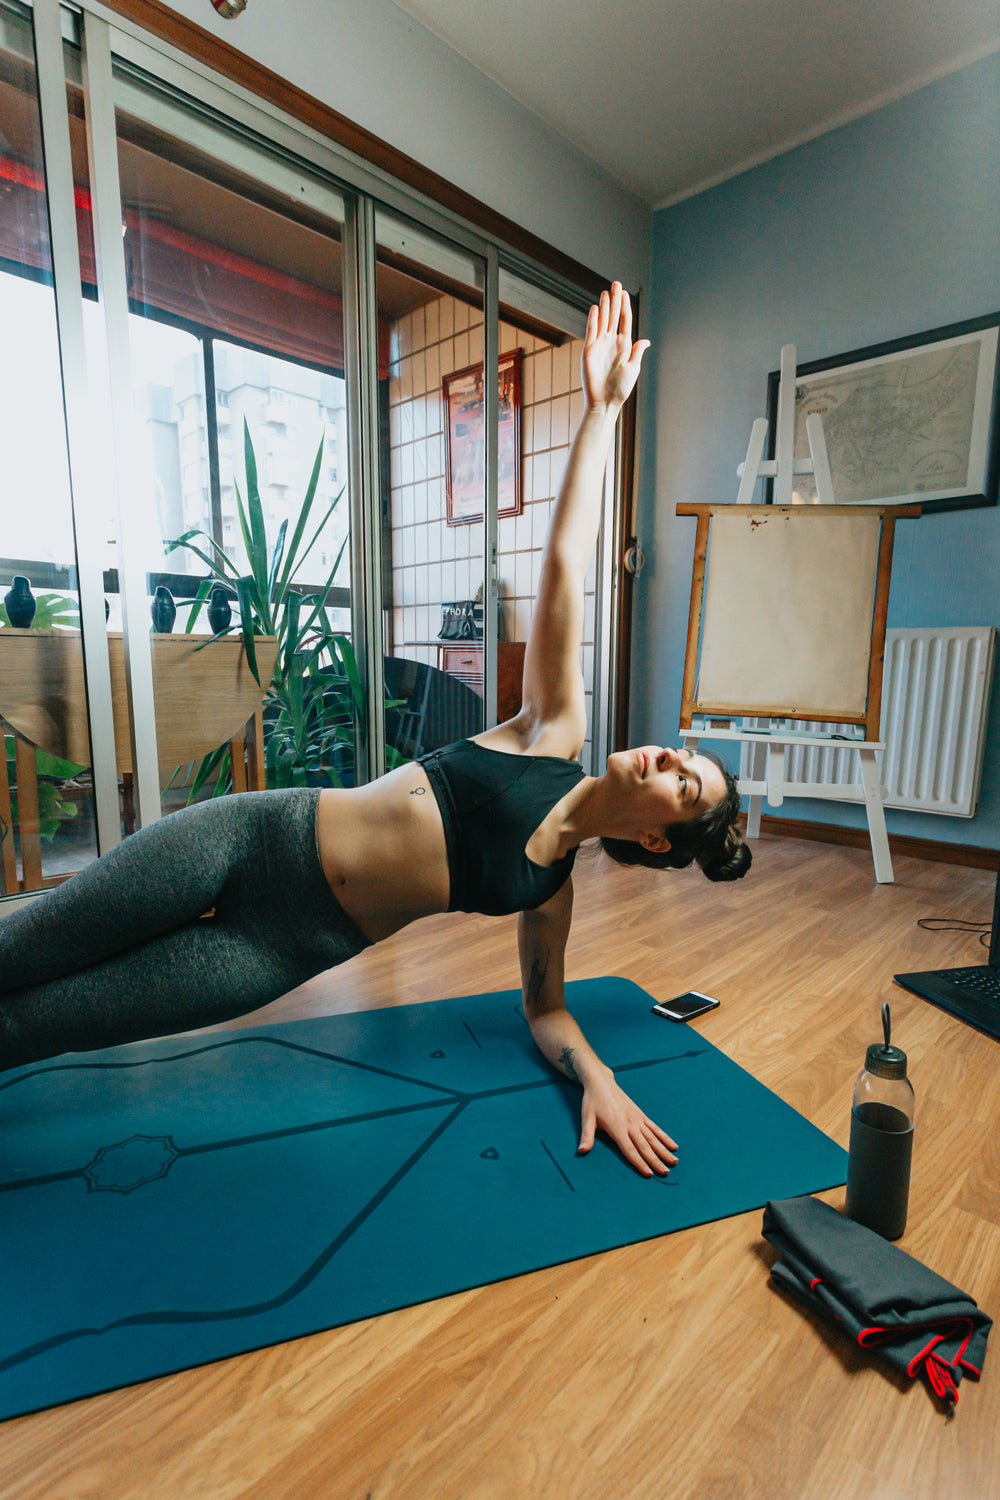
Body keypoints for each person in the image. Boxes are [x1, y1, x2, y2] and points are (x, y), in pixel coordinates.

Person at [0, 283, 749, 1176]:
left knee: (39, 1025)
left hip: (281, 945)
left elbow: (544, 1009)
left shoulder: (547, 890)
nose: (667, 754)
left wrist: (599, 1078)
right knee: (22, 948)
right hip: (252, 839)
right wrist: (600, 412)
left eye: (685, 780)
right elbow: (562, 562)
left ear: (659, 836)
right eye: (684, 754)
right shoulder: (554, 730)